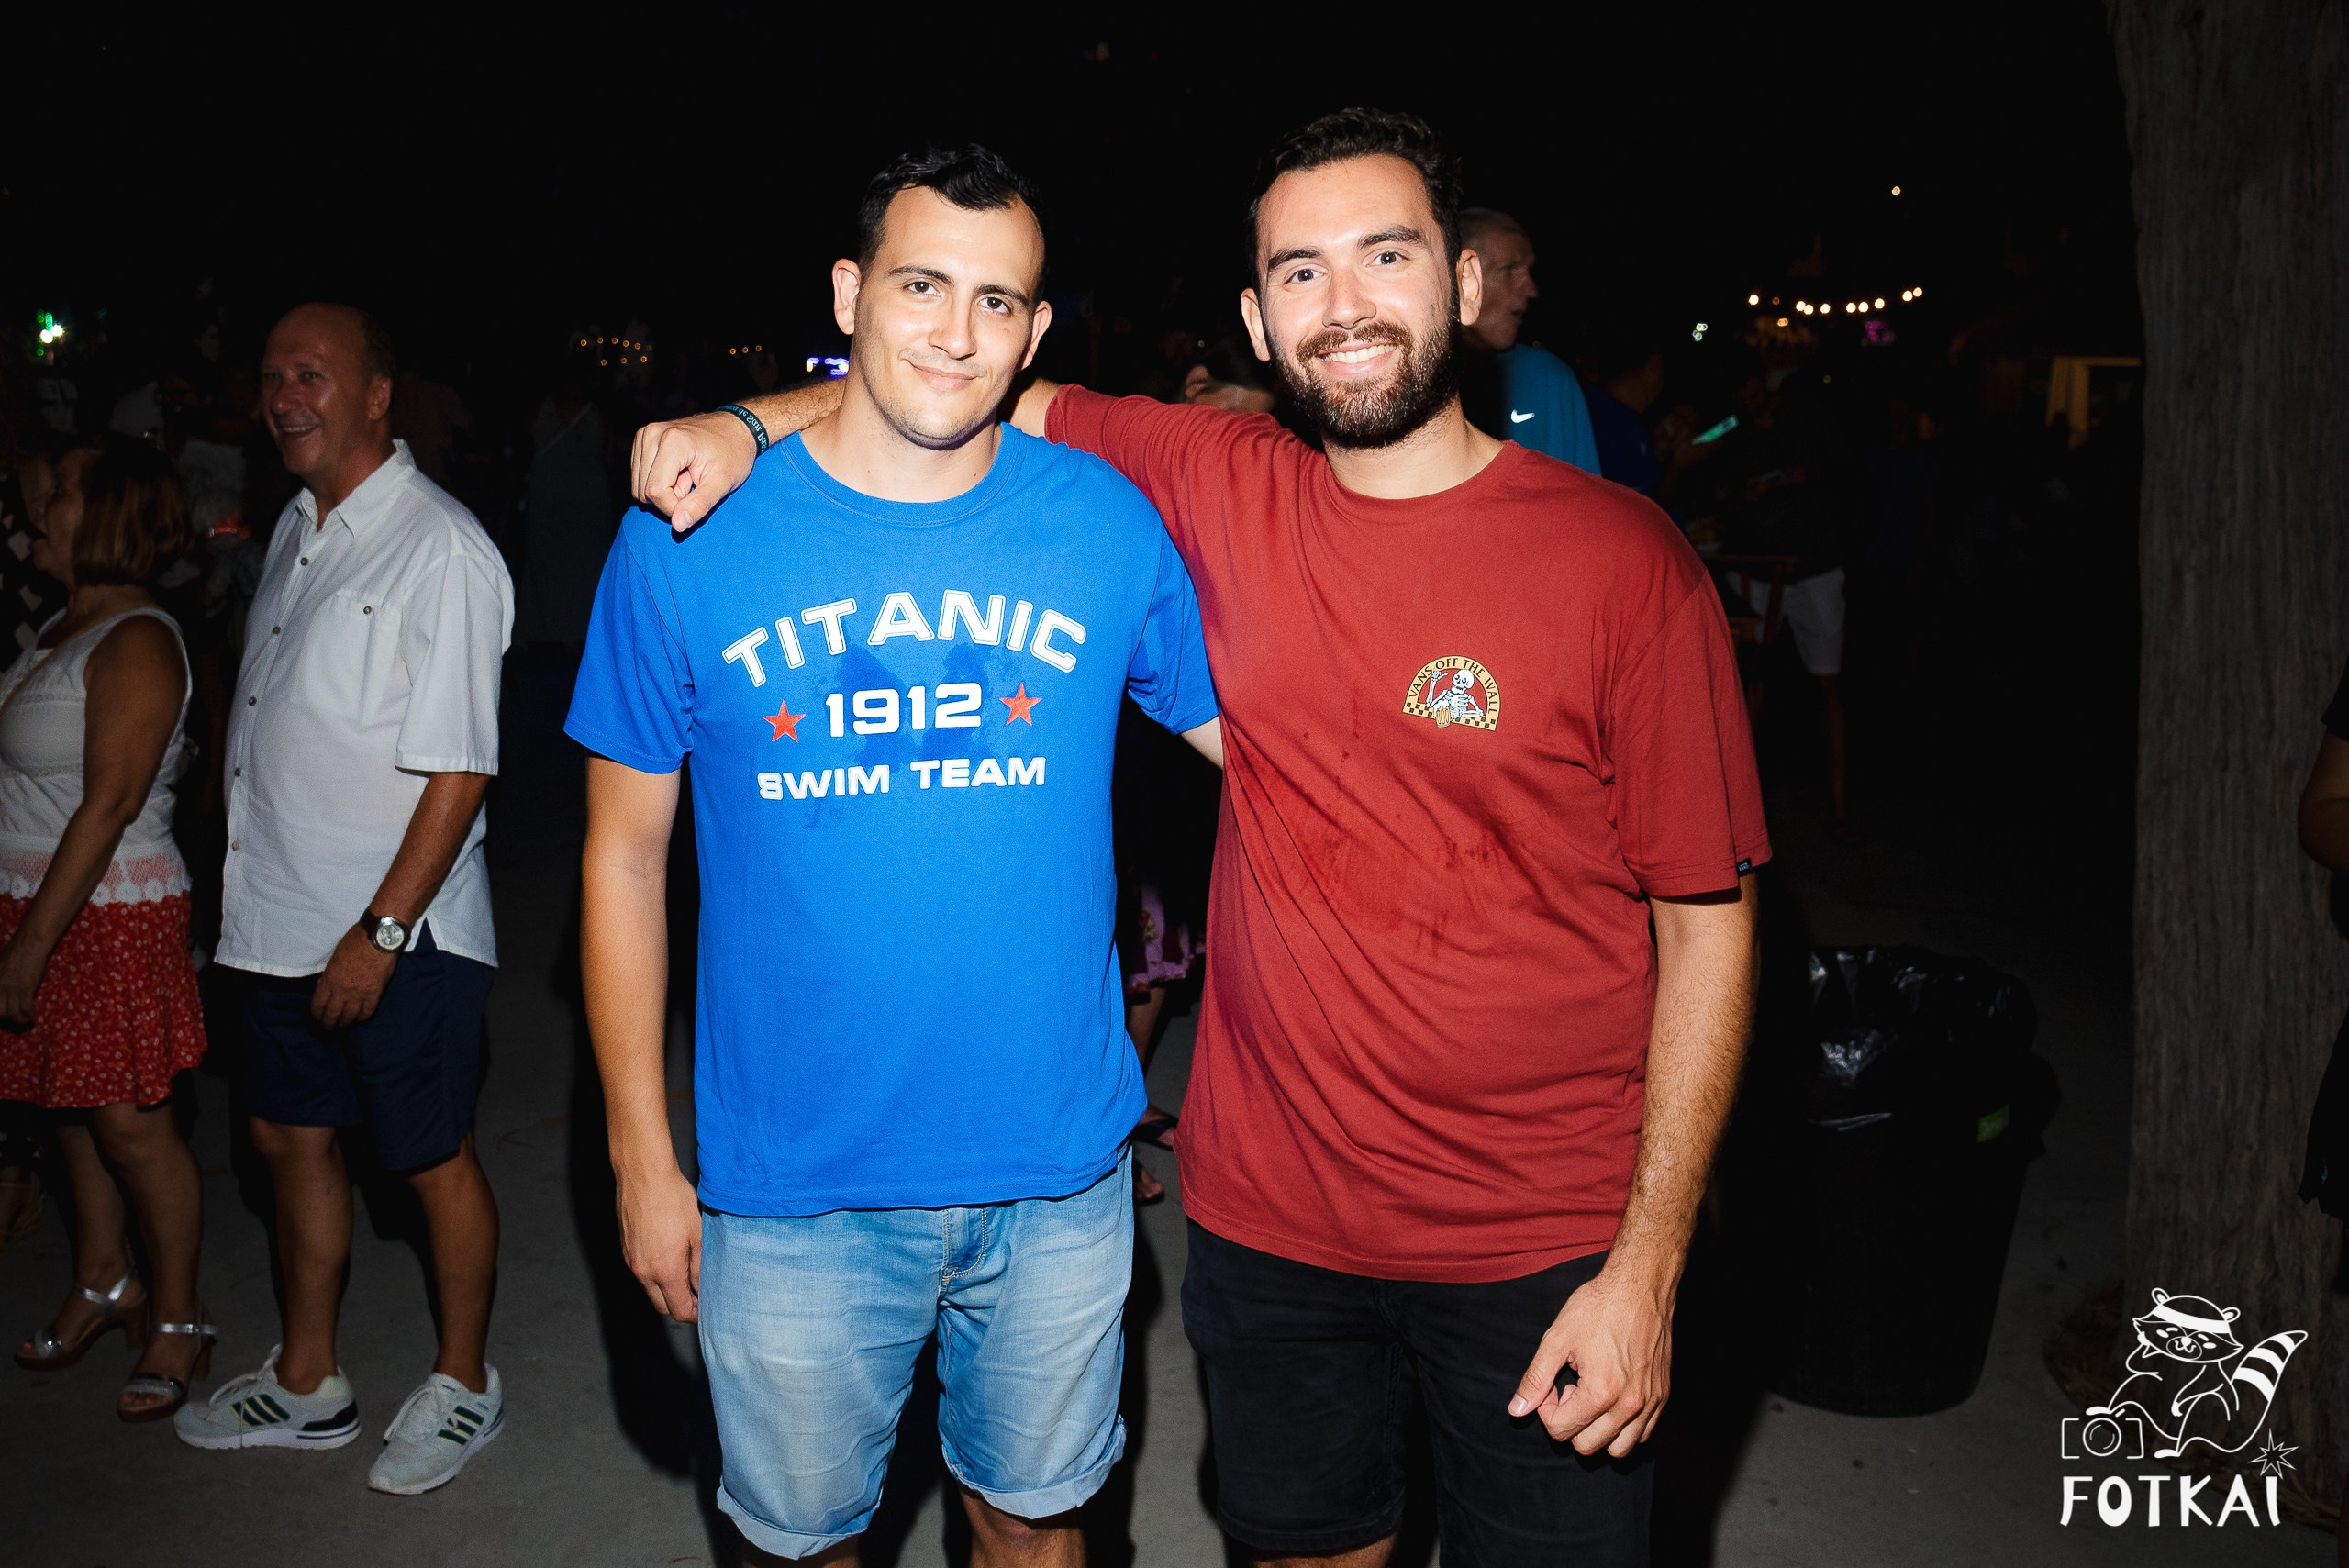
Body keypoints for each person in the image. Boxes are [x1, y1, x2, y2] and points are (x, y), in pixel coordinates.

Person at [630, 109, 1766, 1568]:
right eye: (1300, 271)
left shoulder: (1624, 563)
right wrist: (739, 422)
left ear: (1466, 289)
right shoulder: (1216, 483)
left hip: (1543, 1238)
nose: (1344, 304)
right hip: (1273, 1221)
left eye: (1386, 256)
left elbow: (1709, 922)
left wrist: (1652, 1266)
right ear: (1256, 315)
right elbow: (957, 385)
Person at [575, 146, 1219, 1565]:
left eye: (1001, 302)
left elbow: (1269, 759)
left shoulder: (1106, 525)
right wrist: (640, 1151)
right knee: (805, 1546)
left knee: (1035, 1531)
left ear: (1038, 332)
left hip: (1055, 1164)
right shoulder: (687, 536)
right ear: (851, 291)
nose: (957, 333)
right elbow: (621, 861)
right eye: (923, 286)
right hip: (797, 1178)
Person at [172, 305, 515, 1498]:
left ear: (378, 394)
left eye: (312, 374)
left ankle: (465, 1380)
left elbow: (462, 768)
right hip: (274, 922)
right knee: (284, 1140)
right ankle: (309, 1377)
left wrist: (379, 933)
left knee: (428, 1158)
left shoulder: (443, 548)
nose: (284, 395)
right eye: (271, 376)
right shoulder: (293, 528)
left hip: (397, 934)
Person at [2, 440, 212, 1420]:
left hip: (106, 910)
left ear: (116, 515)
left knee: (133, 1127)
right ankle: (102, 1278)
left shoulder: (137, 638)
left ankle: (177, 1314)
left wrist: (31, 947)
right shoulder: (56, 627)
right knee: (69, 1109)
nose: (43, 500)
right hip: (37, 900)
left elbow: (111, 801)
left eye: (66, 490)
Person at [1455, 206, 1599, 472]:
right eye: (1510, 269)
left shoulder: (1547, 379)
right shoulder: (1399, 379)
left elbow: (1586, 504)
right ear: (1462, 278)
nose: (1531, 290)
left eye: (1529, 271)